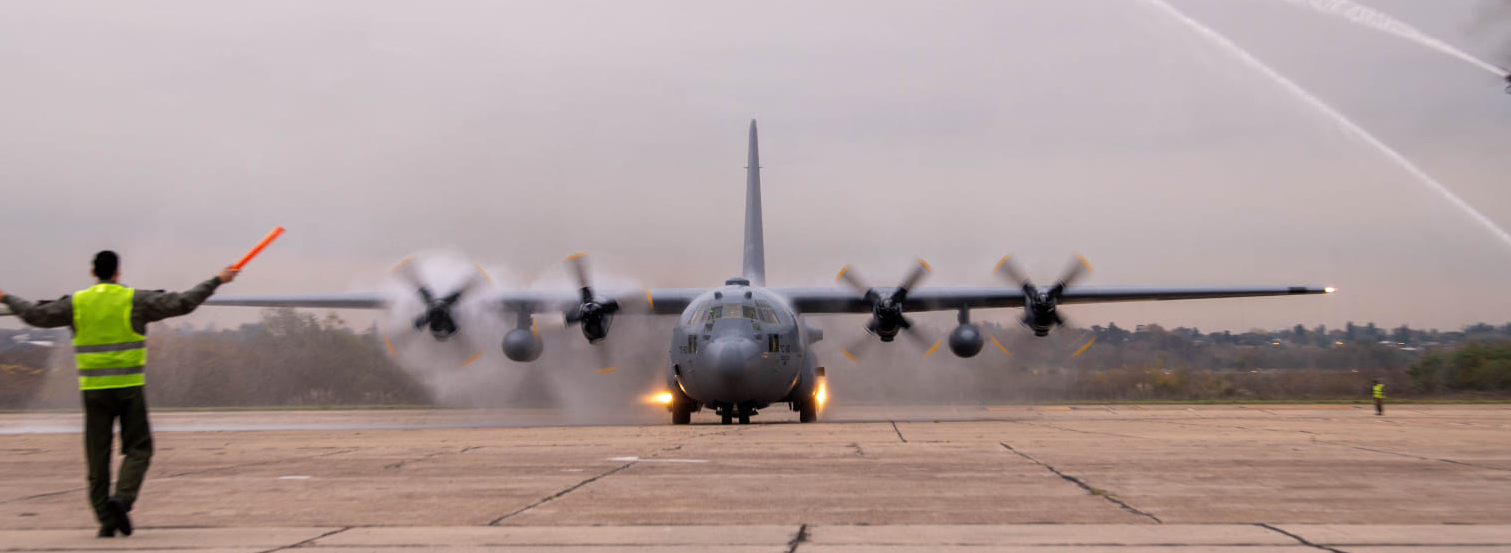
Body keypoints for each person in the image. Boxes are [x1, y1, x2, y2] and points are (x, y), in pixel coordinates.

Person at [0, 251, 237, 538]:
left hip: (93, 392)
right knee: (139, 448)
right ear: (118, 272)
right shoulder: (135, 300)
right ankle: (122, 499)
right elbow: (184, 302)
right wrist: (217, 280)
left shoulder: (77, 303)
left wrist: (6, 297)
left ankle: (106, 520)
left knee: (97, 458)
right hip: (128, 389)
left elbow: (35, 315)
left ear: (93, 272)